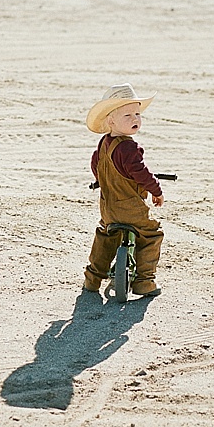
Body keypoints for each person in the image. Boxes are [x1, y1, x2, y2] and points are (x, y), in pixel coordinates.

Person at [83, 84, 164, 297]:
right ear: (111, 121)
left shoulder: (104, 144)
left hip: (108, 208)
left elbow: (96, 164)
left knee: (105, 235)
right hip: (130, 209)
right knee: (151, 234)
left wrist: (101, 180)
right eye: (127, 115)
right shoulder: (129, 148)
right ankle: (145, 281)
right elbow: (141, 173)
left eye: (137, 114)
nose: (135, 118)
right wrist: (156, 190)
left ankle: (92, 279)